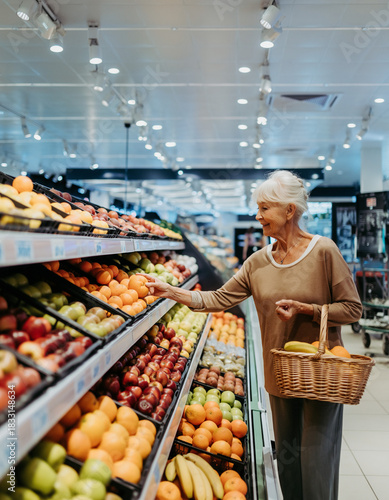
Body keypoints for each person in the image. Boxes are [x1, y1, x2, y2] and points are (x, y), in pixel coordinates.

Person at [140, 170, 362, 500]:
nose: (257, 216)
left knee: (316, 467)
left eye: (264, 209)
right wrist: (172, 291)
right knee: (288, 467)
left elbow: (353, 308)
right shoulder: (257, 263)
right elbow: (217, 299)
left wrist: (308, 310)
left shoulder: (323, 252)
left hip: (320, 374)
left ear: (289, 210)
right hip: (279, 376)